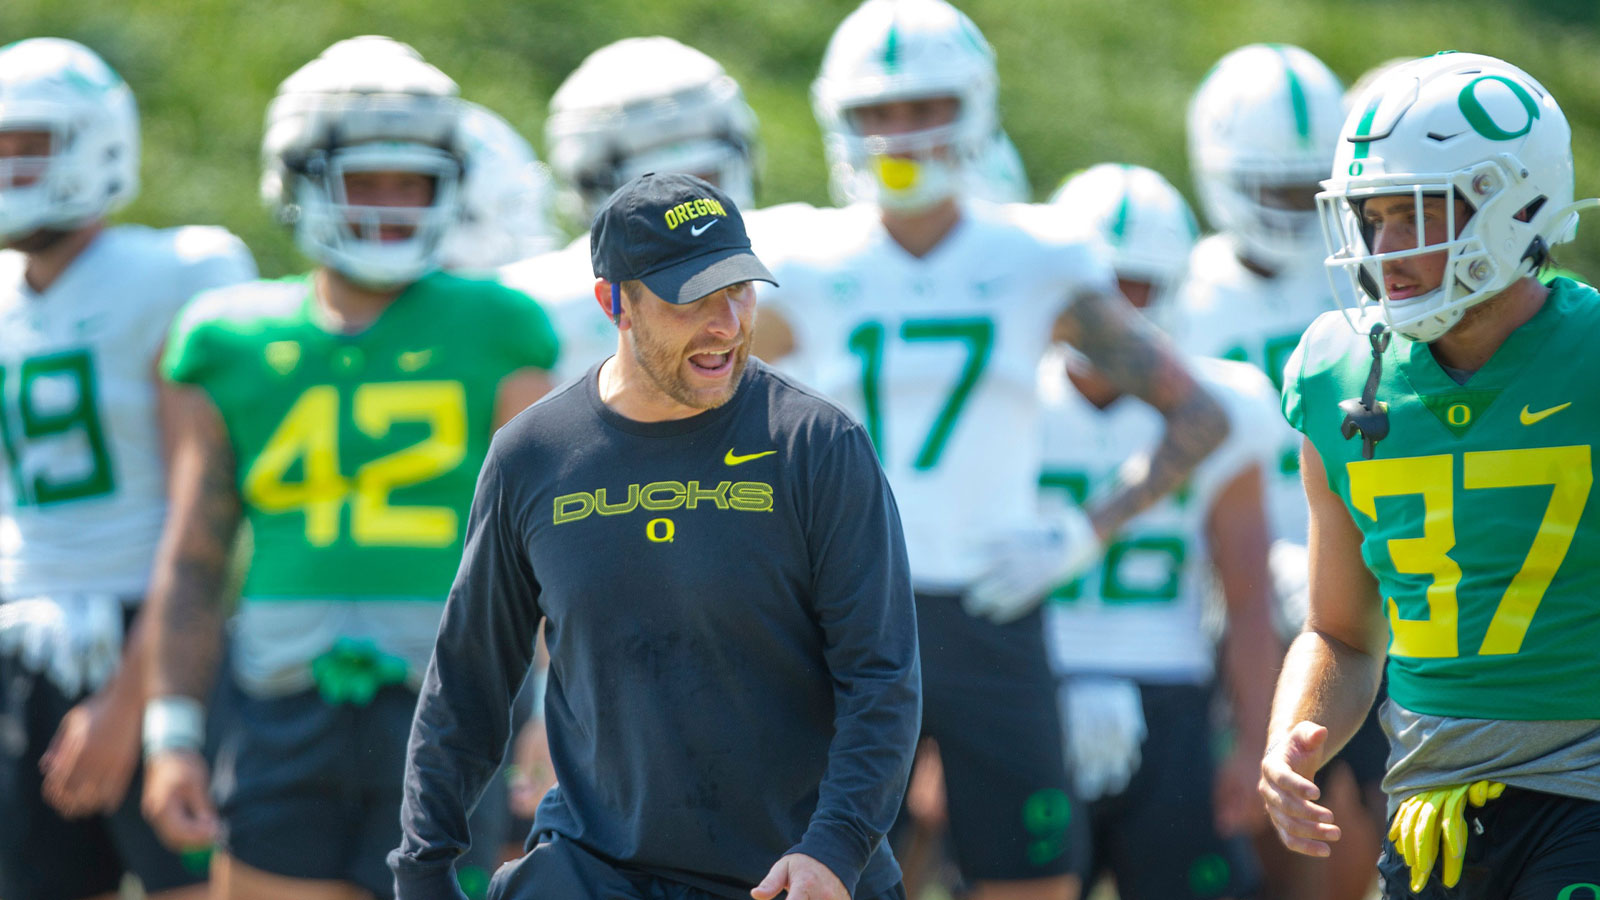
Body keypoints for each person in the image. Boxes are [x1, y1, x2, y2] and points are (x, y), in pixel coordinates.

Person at [752, 3, 1229, 898]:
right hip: (842, 608)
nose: (900, 132)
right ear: (839, 118)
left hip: (989, 606)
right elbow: (695, 406)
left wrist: (1083, 534)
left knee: (1032, 881)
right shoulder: (805, 258)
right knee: (809, 874)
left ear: (971, 107)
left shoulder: (1033, 254)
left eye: (923, 105)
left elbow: (1198, 414)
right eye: (878, 111)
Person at [390, 172, 921, 900]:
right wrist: (423, 871)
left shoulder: (818, 446)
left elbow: (882, 676)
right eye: (693, 299)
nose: (728, 324)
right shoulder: (532, 456)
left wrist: (834, 849)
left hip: (789, 876)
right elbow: (468, 681)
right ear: (615, 302)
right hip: (590, 866)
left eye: (739, 290)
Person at [138, 36, 558, 900]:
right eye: (366, 180)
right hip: (278, 688)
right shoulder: (227, 338)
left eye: (413, 182)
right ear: (298, 178)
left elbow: (548, 546)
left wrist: (559, 712)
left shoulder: (500, 325)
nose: (392, 205)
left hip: (452, 698)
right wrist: (171, 728)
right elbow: (193, 554)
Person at [1260, 51, 1600, 898]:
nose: (1385, 249)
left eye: (1415, 213)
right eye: (1372, 217)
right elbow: (1342, 629)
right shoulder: (1335, 372)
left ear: (1512, 199)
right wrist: (1291, 739)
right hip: (1430, 799)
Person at [0, 37, 257, 900]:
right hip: (20, 639)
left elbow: (209, 510)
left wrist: (130, 700)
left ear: (94, 141)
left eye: (24, 141)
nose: (6, 161)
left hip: (152, 629)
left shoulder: (174, 272)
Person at [1180, 43, 1388, 900]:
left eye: (1306, 188)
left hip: (1352, 586)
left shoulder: (1374, 277)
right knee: (1269, 832)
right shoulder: (1184, 293)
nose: (1289, 211)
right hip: (1229, 605)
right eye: (1269, 187)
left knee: (1365, 838)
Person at [1037, 164, 1280, 900]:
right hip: (1026, 684)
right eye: (1098, 286)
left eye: (1137, 283)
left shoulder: (1229, 403)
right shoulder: (1005, 396)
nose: (1115, 308)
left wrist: (1255, 744)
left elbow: (1247, 597)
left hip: (1171, 693)